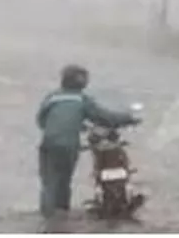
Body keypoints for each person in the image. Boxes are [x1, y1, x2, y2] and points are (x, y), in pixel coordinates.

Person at [35, 64, 139, 218]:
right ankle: (61, 215)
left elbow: (41, 120)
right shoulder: (81, 100)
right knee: (63, 181)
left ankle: (47, 216)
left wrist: (74, 125)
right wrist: (129, 118)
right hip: (68, 146)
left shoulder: (51, 97)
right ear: (83, 83)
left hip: (48, 144)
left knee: (49, 182)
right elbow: (105, 117)